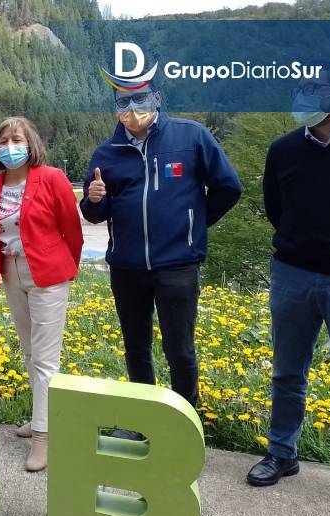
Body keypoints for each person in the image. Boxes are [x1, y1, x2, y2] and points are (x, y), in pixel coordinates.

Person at [80, 84, 241, 436]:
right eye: (124, 101)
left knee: (179, 348)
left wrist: (192, 227)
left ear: (157, 100)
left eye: (140, 99)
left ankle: (185, 426)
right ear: (115, 107)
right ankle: (142, 424)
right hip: (126, 268)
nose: (133, 107)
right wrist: (93, 199)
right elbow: (94, 213)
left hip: (177, 266)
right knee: (136, 348)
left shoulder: (192, 136)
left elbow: (229, 187)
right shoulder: (106, 153)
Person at [247, 73, 330, 487]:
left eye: (316, 90)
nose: (305, 97)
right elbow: (275, 208)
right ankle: (282, 453)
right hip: (293, 273)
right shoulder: (282, 149)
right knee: (287, 372)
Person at [0, 117, 83, 471]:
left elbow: (72, 228)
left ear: (31, 144)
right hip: (12, 272)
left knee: (45, 358)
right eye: (4, 141)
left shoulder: (53, 178)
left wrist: (67, 266)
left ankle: (43, 435)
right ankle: (42, 417)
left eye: (17, 139)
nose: (10, 146)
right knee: (28, 350)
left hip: (49, 273)